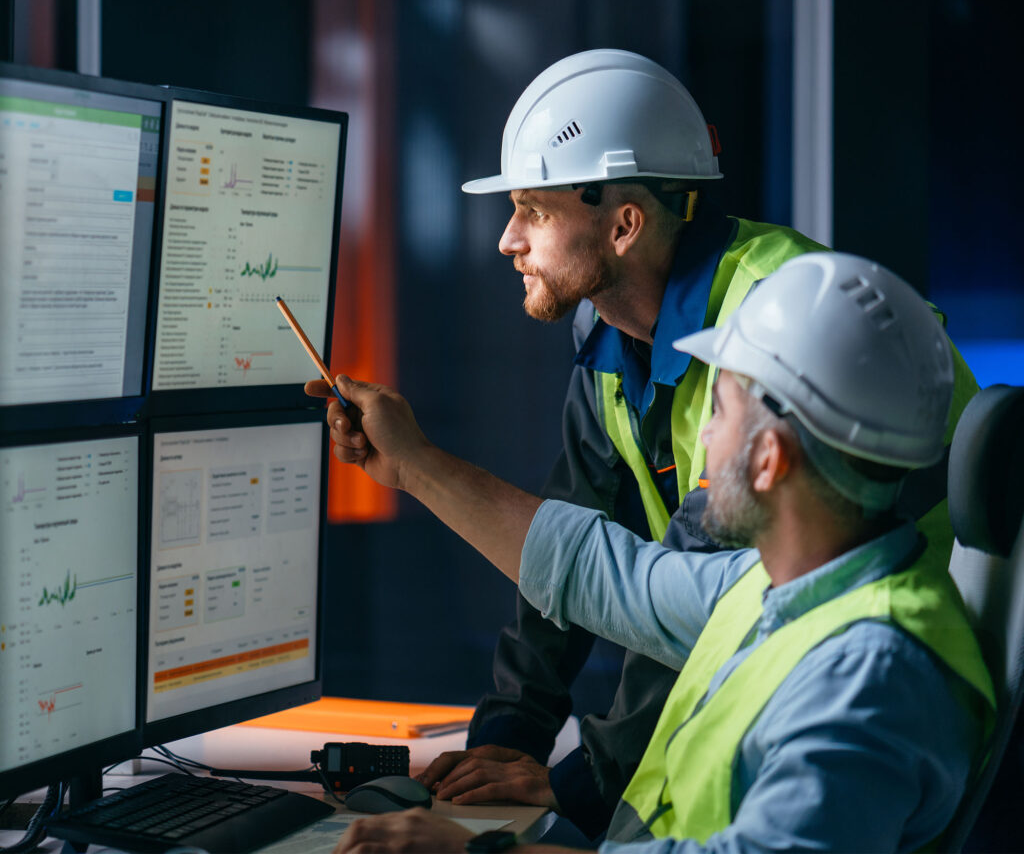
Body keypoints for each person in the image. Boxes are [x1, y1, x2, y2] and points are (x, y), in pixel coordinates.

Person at [400, 50, 978, 838]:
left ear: (625, 223)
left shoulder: (781, 330)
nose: (508, 239)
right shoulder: (613, 338)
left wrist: (576, 785)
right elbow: (589, 568)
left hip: (848, 643)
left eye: (533, 211)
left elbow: (661, 590)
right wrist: (506, 746)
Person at [311, 252, 994, 854]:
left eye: (718, 411)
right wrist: (413, 465)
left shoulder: (871, 679)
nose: (702, 439)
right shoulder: (787, 588)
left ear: (767, 460)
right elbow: (606, 576)